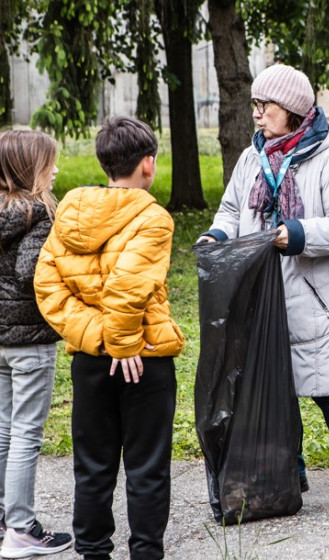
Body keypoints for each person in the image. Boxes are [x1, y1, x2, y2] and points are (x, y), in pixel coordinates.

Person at [197, 63, 329, 510]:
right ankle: (291, 473)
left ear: (294, 110)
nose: (257, 115)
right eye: (256, 106)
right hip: (261, 295)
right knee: (274, 390)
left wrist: (297, 234)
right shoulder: (251, 157)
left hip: (316, 298)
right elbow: (230, 210)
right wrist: (218, 235)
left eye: (266, 106)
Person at [34, 116, 185, 560]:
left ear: (105, 164)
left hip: (90, 358)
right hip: (143, 355)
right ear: (148, 165)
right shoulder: (153, 218)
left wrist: (97, 337)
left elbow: (48, 287)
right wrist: (121, 343)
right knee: (147, 465)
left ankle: (94, 552)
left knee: (93, 465)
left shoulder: (69, 214)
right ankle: (144, 553)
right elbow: (127, 286)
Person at [0, 130, 72, 558]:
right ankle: (23, 528)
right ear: (32, 171)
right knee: (26, 432)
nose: (57, 170)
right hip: (30, 341)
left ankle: (4, 519)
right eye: (50, 164)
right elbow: (32, 271)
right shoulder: (41, 212)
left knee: (3, 431)